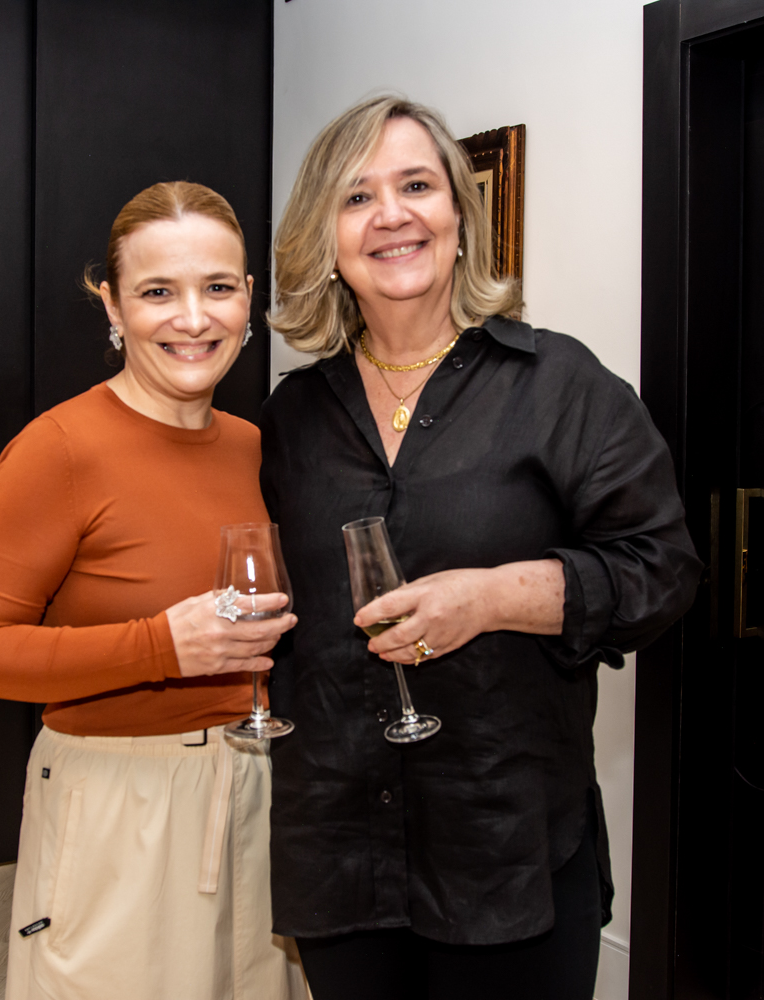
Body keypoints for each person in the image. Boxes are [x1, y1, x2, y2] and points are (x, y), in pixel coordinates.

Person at [259, 97, 701, 999]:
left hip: (507, 848)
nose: (391, 214)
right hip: (339, 845)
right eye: (357, 197)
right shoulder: (292, 416)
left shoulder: (561, 385)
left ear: (461, 217)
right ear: (327, 240)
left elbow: (664, 571)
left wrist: (495, 598)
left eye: (417, 186)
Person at [0, 181, 309, 1000]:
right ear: (112, 304)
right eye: (157, 292)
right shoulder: (60, 449)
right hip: (115, 803)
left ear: (249, 296)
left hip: (257, 793)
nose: (194, 319)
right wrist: (160, 647)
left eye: (217, 287)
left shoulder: (258, 447)